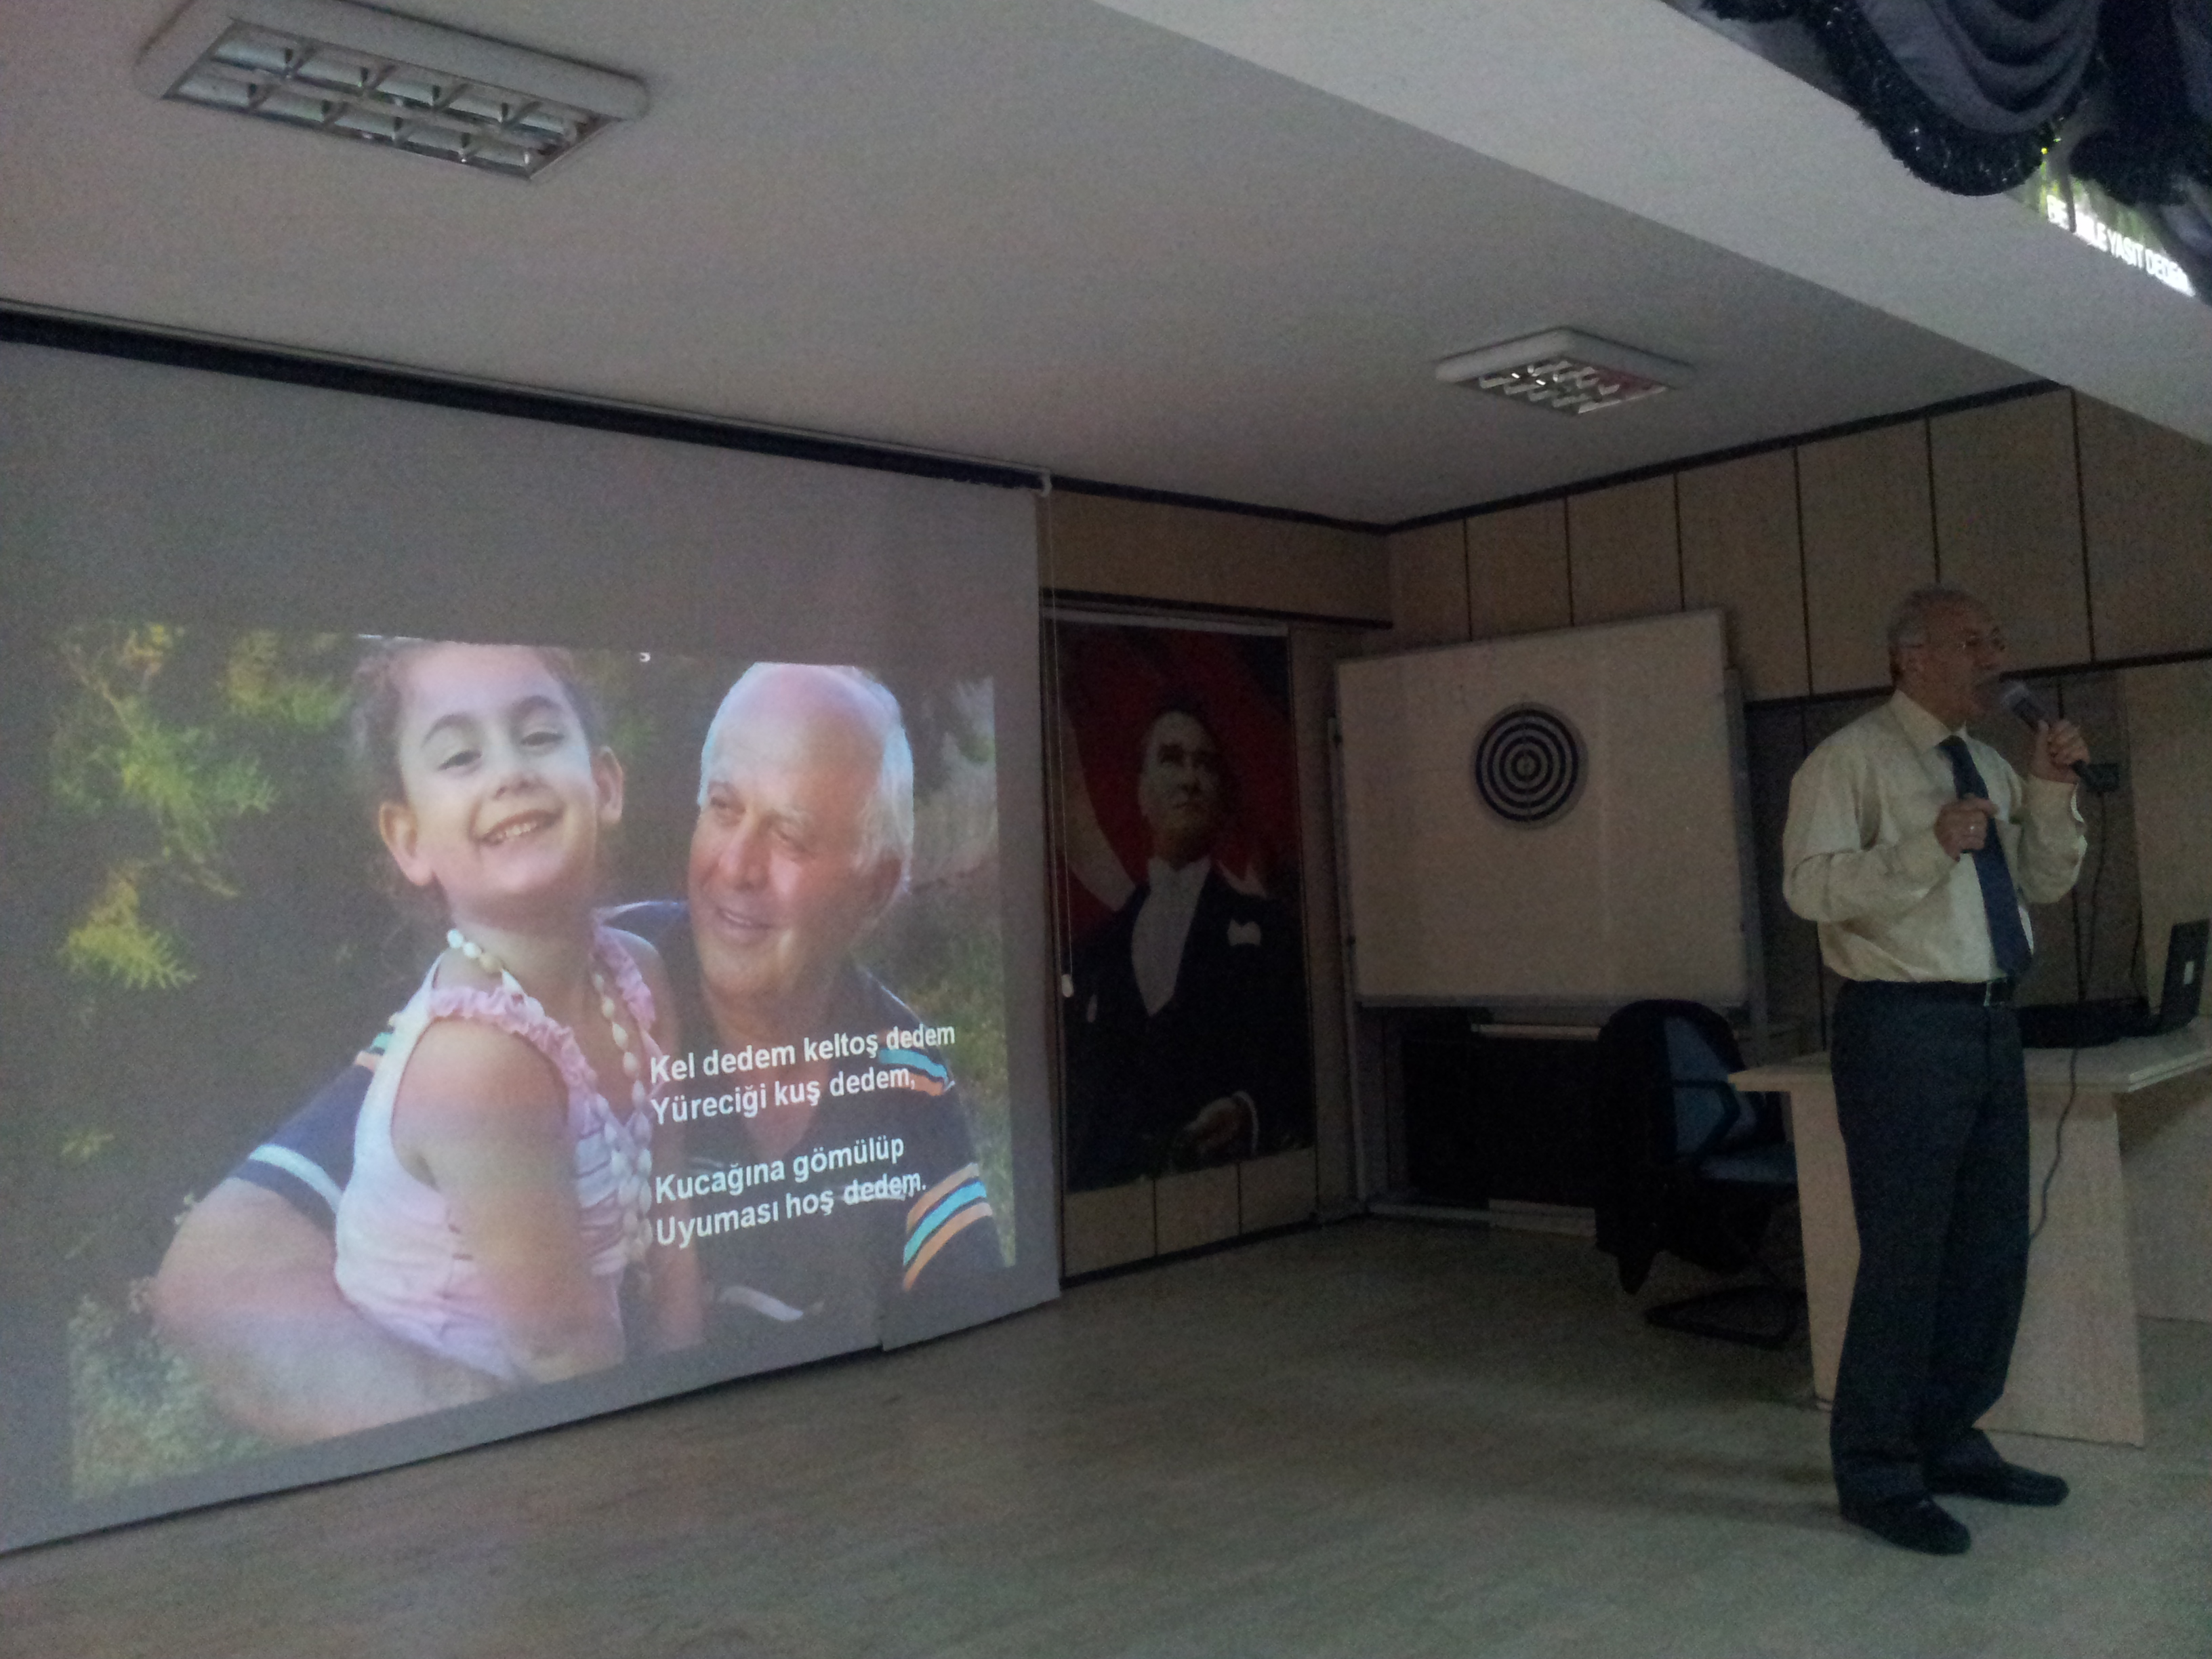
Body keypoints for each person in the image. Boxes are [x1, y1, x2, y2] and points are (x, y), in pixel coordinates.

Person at [152, 659, 996, 1438]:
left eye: (793, 836)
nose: (736, 866)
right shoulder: (554, 992)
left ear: (874, 887)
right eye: (723, 807)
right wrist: (511, 1449)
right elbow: (219, 1263)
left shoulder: (903, 1068)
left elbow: (974, 1363)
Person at [1782, 586, 2089, 1556]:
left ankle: (1950, 1439)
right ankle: (1876, 1472)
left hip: (1992, 1023)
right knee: (1907, 1258)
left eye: (1997, 638)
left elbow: (2043, 883)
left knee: (1990, 1253)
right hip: (1902, 1027)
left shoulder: (1990, 763)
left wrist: (2049, 790)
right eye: (1973, 641)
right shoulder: (1848, 760)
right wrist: (1926, 847)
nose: (1995, 656)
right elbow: (1809, 888)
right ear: (1912, 657)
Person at [333, 640, 699, 1386]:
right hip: (480, 1417)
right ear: (410, 839)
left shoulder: (638, 975)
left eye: (538, 737)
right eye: (461, 757)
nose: (510, 772)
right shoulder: (475, 1061)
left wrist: (697, 1371)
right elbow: (559, 1348)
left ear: (605, 786)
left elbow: (673, 1210)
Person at [1062, 703, 1311, 1191]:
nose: (1191, 779)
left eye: (1206, 764)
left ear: (1222, 794)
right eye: (1172, 759)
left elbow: (1298, 1067)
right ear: (1141, 792)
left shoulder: (1270, 935)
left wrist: (1246, 1112)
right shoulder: (1096, 953)